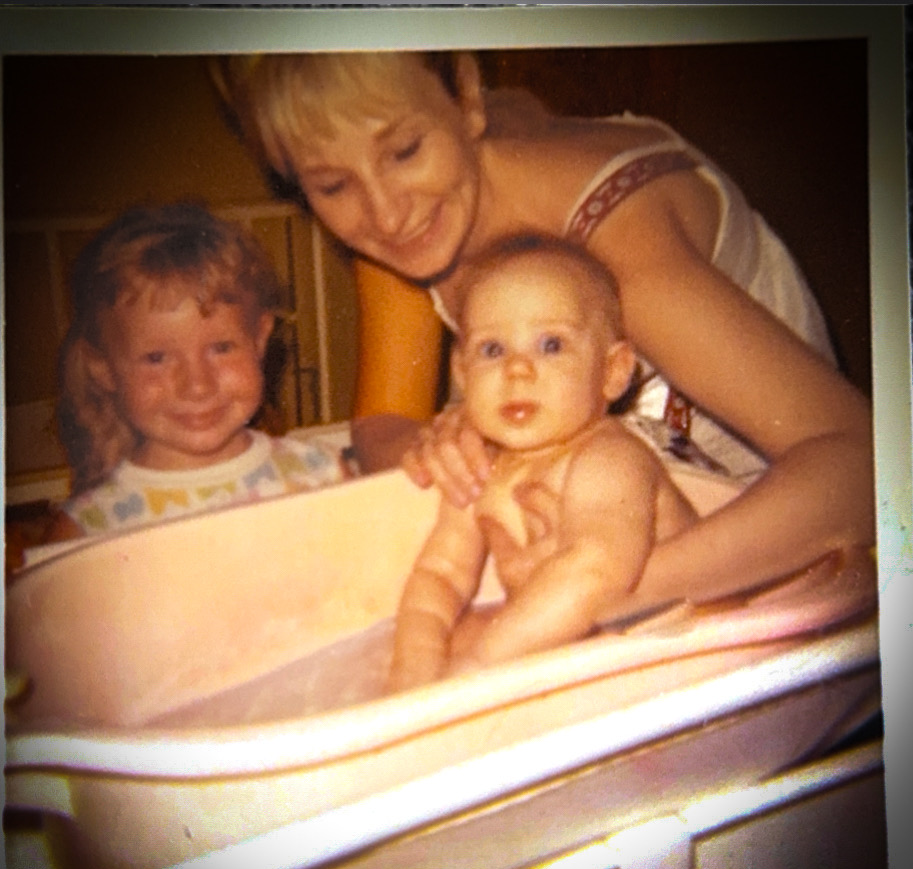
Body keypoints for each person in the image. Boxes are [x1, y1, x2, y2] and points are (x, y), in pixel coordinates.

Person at [212, 50, 875, 622]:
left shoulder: (619, 242)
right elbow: (383, 424)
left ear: (465, 97)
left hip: (775, 543)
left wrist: (598, 591)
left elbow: (864, 468)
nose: (385, 212)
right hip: (586, 532)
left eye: (405, 150)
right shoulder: (402, 241)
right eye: (332, 185)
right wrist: (438, 446)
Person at [389, 236, 698, 691]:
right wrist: (413, 670)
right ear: (462, 373)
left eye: (551, 345)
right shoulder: (483, 469)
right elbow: (441, 574)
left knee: (479, 647)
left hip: (682, 656)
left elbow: (595, 571)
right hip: (581, 658)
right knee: (455, 639)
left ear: (612, 372)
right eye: (493, 350)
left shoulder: (610, 459)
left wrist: (473, 673)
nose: (517, 370)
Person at [46, 202, 347, 542]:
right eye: (157, 357)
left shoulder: (321, 476)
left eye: (221, 348)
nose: (198, 386)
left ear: (259, 339)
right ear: (104, 369)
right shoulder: (89, 528)